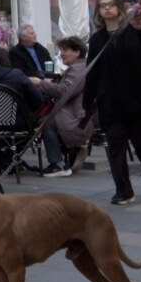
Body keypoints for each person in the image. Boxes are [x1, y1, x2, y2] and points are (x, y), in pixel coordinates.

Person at [83, 0, 141, 206]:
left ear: (119, 7)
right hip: (110, 101)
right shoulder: (97, 39)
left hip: (137, 99)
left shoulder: (136, 31)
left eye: (111, 4)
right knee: (115, 145)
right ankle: (123, 190)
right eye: (102, 6)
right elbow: (92, 72)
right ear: (99, 11)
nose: (107, 9)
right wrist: (87, 103)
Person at [29, 36, 95, 177]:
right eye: (61, 50)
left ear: (77, 52)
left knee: (46, 123)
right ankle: (72, 150)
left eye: (65, 50)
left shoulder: (77, 69)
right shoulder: (82, 66)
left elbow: (65, 91)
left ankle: (57, 163)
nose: (62, 54)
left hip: (75, 118)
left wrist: (40, 83)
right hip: (79, 115)